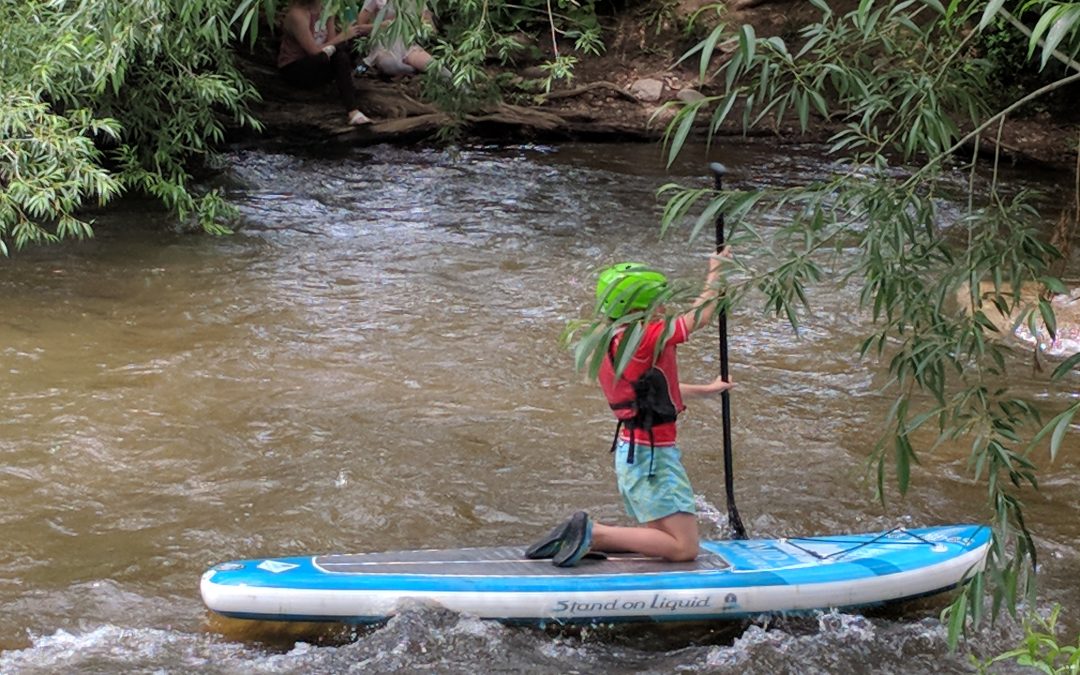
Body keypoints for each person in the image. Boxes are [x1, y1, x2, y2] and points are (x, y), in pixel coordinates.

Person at [527, 250, 735, 567]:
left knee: (665, 544)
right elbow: (701, 316)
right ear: (640, 309)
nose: (664, 309)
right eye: (659, 303)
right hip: (654, 459)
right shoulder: (647, 336)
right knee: (684, 547)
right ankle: (594, 533)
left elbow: (649, 391)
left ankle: (590, 539)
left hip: (632, 454)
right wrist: (716, 271)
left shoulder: (605, 340)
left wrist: (707, 390)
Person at [278, 0, 373, 126]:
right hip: (296, 68)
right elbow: (314, 51)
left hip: (321, 60)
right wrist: (343, 36)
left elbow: (332, 43)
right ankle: (352, 110)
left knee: (348, 49)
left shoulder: (327, 10)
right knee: (330, 56)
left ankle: (353, 107)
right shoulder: (298, 15)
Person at [355, 0, 438, 78]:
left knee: (436, 68)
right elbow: (360, 28)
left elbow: (432, 30)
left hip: (408, 45)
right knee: (390, 64)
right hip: (383, 45)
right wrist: (382, 25)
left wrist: (425, 24)